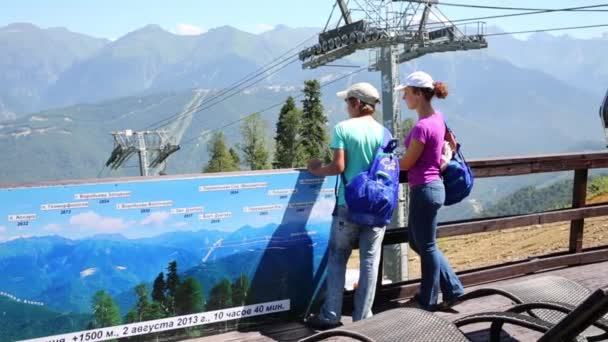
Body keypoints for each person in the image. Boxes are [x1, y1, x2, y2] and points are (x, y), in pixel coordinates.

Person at [305, 82, 387, 329]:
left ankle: (331, 316)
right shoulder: (385, 133)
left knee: (338, 257)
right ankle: (363, 319)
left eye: (347, 102)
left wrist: (316, 169)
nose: (346, 107)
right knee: (370, 261)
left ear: (356, 103)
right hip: (377, 206)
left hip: (348, 204)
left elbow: (338, 167)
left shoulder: (343, 129)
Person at [396, 71, 464, 311]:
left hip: (424, 188)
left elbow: (406, 163)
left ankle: (428, 298)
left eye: (406, 93)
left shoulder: (422, 127)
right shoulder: (438, 118)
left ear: (418, 94)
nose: (404, 98)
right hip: (435, 186)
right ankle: (452, 288)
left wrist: (383, 162)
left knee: (425, 245)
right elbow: (452, 144)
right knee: (420, 242)